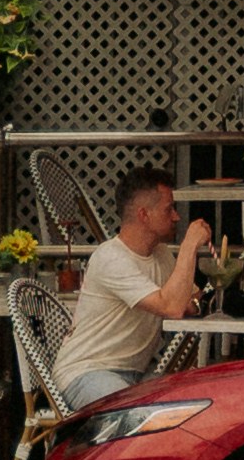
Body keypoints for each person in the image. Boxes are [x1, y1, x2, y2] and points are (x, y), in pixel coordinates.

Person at [49, 168, 213, 418]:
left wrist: (194, 302)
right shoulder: (111, 258)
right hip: (87, 372)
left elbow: (191, 301)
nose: (177, 217)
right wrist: (190, 245)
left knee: (192, 407)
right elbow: (172, 307)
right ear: (144, 215)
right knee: (141, 418)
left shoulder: (161, 255)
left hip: (136, 374)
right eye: (169, 209)